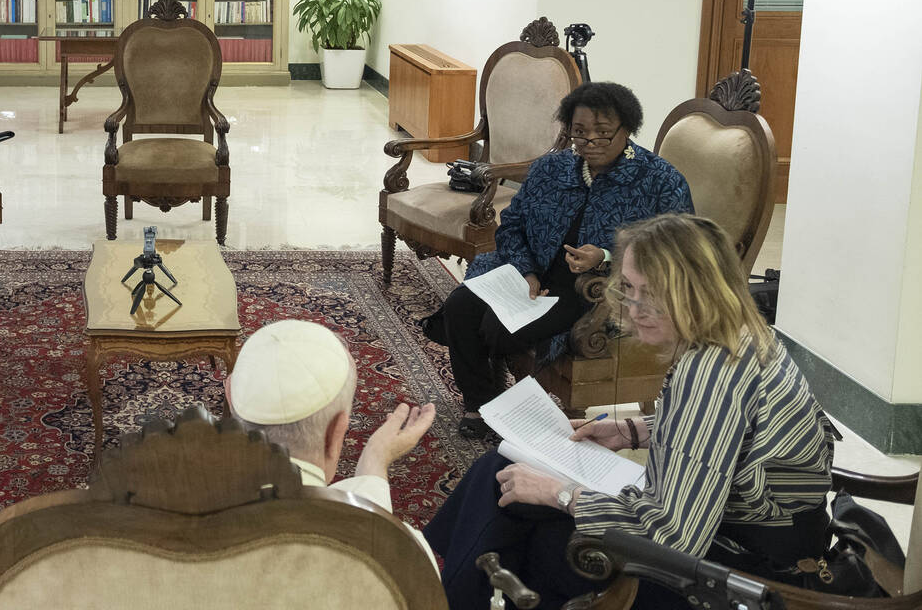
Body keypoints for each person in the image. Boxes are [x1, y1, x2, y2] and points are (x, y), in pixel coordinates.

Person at [424, 214, 839, 610]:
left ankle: (431, 586)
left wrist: (562, 494)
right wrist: (634, 431)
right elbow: (725, 432)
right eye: (629, 287)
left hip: (737, 572)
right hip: (756, 535)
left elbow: (673, 537)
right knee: (501, 476)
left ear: (697, 291)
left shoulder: (713, 371)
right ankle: (438, 586)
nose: (635, 308)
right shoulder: (742, 330)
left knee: (513, 511)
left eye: (653, 294)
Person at [423, 82, 693, 436]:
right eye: (579, 134)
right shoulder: (551, 168)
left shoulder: (659, 180)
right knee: (460, 306)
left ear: (627, 130)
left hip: (594, 291)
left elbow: (678, 248)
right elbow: (513, 224)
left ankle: (509, 402)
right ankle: (481, 404)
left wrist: (606, 256)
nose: (589, 143)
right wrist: (526, 270)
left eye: (602, 134)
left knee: (497, 328)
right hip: (529, 277)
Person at [226, 319, 439, 565]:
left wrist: (373, 467)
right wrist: (376, 462)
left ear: (230, 396)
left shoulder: (175, 504)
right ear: (337, 432)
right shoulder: (405, 553)